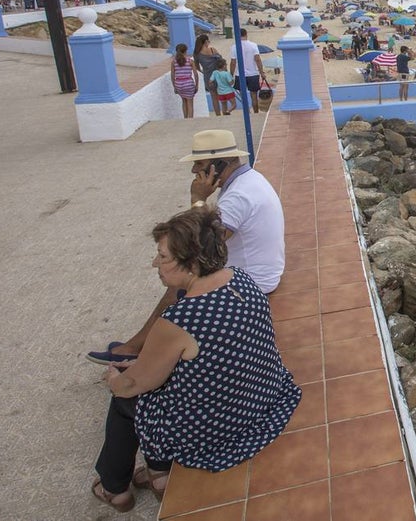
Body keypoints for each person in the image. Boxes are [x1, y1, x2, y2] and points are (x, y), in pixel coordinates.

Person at [89, 207, 301, 512]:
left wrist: (114, 379)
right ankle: (158, 473)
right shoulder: (241, 279)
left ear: (190, 263)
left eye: (162, 257)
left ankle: (114, 488)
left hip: (220, 428)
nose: (154, 264)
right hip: (262, 398)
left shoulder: (179, 320)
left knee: (126, 401)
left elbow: (133, 385)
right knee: (161, 387)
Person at [87, 130, 286, 366]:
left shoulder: (239, 195)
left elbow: (201, 243)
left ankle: (138, 351)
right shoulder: (248, 179)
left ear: (219, 164)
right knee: (183, 275)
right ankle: (141, 346)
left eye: (198, 164)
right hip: (258, 270)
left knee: (181, 280)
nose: (193, 171)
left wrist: (198, 197)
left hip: (254, 280)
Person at [229, 28, 267, 114]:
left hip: (240, 74)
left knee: (243, 96)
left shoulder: (234, 47)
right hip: (253, 74)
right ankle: (256, 112)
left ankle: (247, 113)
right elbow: (257, 59)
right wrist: (262, 72)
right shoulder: (253, 45)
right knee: (254, 96)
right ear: (246, 34)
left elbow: (233, 62)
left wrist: (231, 75)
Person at [193, 34, 224, 116]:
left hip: (208, 77)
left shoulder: (197, 54)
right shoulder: (213, 50)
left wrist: (205, 71)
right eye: (208, 41)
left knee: (214, 97)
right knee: (223, 94)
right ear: (206, 42)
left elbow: (197, 68)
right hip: (219, 76)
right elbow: (222, 61)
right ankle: (225, 111)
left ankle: (218, 115)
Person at [170, 43, 199, 119]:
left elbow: (172, 75)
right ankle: (191, 120)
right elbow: (195, 74)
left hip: (179, 84)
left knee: (184, 101)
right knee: (190, 103)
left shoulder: (173, 62)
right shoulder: (190, 61)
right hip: (188, 83)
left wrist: (174, 87)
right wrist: (196, 85)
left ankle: (185, 119)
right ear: (185, 51)